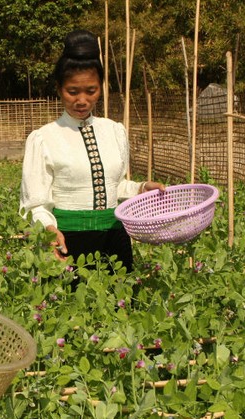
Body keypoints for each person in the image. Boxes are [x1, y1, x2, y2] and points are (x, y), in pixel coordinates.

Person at [19, 29, 164, 271]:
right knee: (68, 305)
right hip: (66, 241)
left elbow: (114, 187)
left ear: (101, 88)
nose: (82, 100)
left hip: (114, 241)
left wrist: (140, 188)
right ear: (59, 88)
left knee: (119, 304)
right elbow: (36, 204)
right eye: (72, 92)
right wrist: (49, 231)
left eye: (91, 91)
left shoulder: (114, 131)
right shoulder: (44, 138)